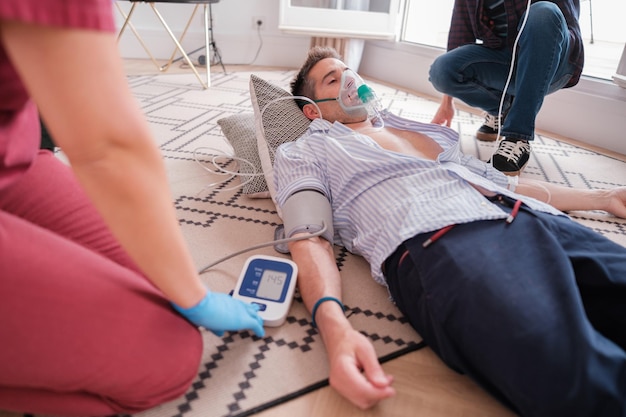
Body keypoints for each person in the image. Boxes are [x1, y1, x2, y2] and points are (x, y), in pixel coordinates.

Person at [273, 46, 626, 416]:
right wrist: (335, 330)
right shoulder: (307, 150)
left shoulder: (420, 130)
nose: (350, 80)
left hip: (536, 218)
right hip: (448, 240)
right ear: (312, 110)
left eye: (350, 71)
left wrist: (603, 198)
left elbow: (501, 183)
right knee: (577, 377)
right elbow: (309, 236)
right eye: (333, 78)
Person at [0, 0, 264, 415]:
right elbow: (108, 147)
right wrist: (198, 298)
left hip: (14, 157)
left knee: (157, 280)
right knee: (168, 356)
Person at [429, 0, 584, 176]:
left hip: (552, 61)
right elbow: (459, 39)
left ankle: (517, 137)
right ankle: (503, 111)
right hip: (504, 61)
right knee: (443, 70)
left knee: (543, 12)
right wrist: (446, 103)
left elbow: (565, 26)